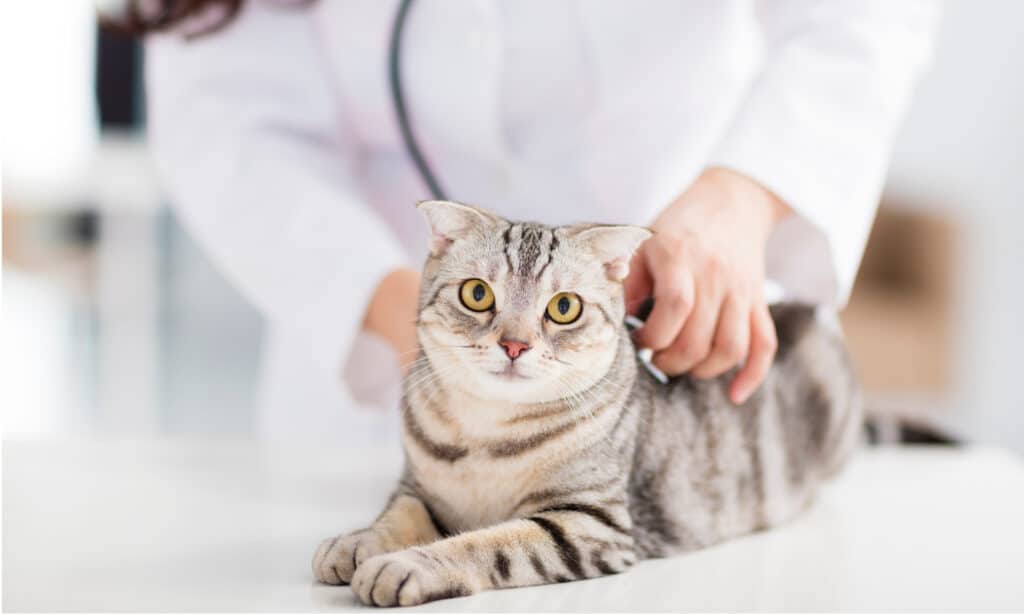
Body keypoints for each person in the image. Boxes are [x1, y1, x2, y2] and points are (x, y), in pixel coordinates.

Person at [139, 0, 939, 440]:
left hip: (673, 333)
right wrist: (419, 324)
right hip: (378, 393)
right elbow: (229, 122)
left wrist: (745, 192)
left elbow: (861, 19)